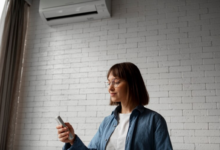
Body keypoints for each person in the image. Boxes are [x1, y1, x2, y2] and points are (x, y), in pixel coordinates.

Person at [56, 62, 173, 150]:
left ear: (132, 84)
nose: (110, 88)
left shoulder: (154, 120)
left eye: (116, 82)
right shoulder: (107, 122)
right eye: (108, 82)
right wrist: (72, 140)